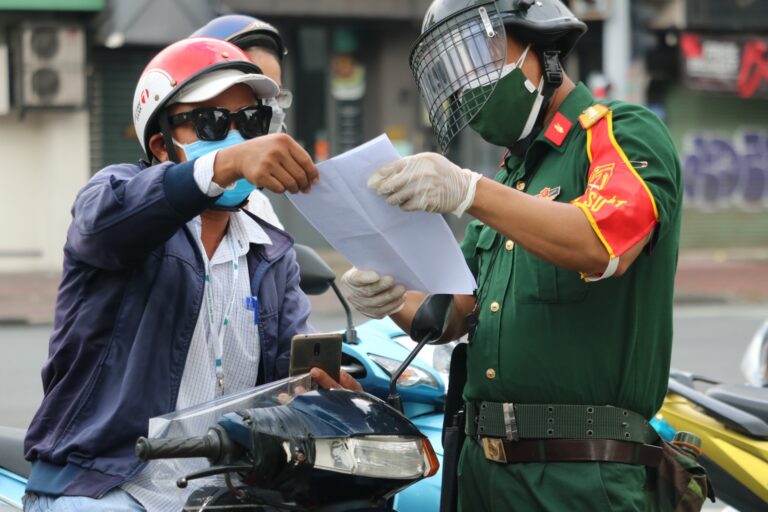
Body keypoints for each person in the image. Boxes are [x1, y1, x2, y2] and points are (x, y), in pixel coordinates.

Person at [342, 1, 683, 510]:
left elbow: (601, 244)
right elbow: (454, 312)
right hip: (483, 472)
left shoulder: (619, 133)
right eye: (454, 71)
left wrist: (468, 190)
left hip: (582, 476)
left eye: (479, 54)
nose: (466, 83)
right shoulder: (510, 181)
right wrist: (388, 293)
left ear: (541, 46)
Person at [23, 37, 357, 512]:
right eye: (213, 122)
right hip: (107, 487)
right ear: (161, 144)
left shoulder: (271, 251)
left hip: (221, 492)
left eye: (252, 123)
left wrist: (326, 392)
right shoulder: (117, 201)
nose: (240, 138)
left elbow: (288, 378)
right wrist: (221, 166)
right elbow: (105, 221)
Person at [192, 15, 294, 229]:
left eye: (275, 96)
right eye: (253, 93)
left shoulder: (258, 206)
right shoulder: (147, 202)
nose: (269, 110)